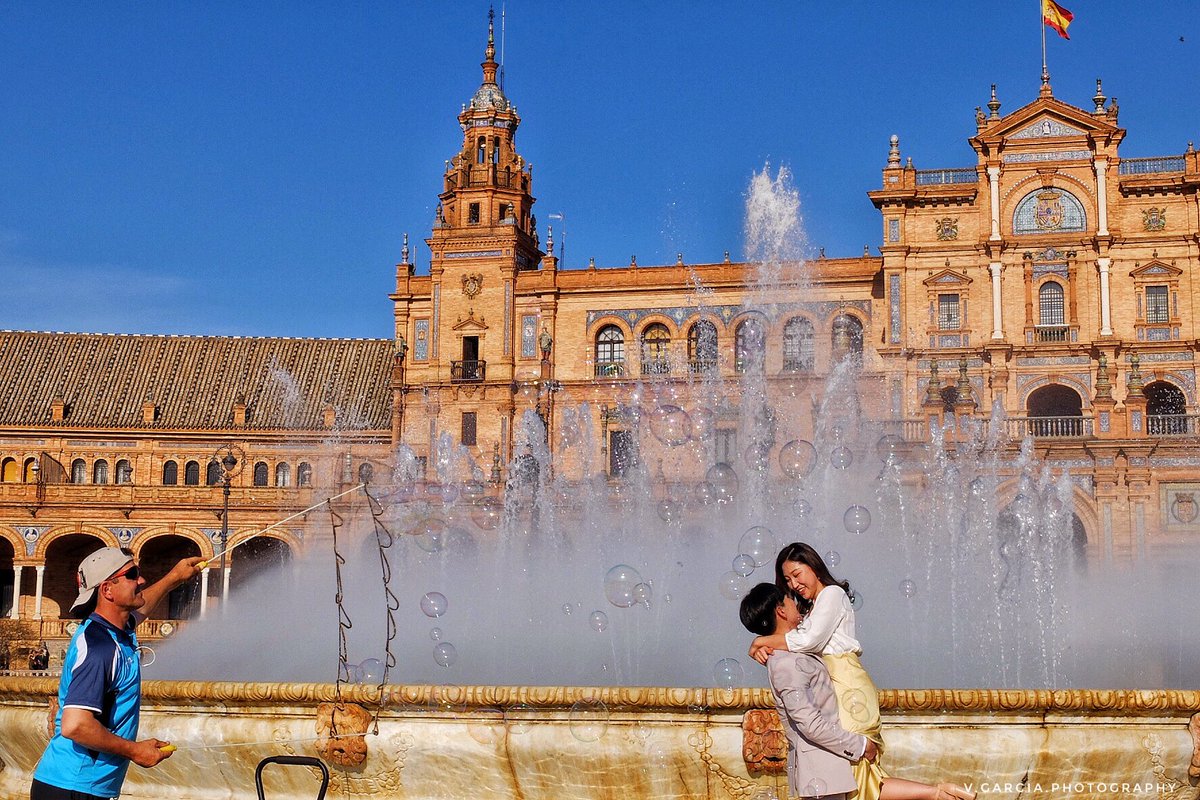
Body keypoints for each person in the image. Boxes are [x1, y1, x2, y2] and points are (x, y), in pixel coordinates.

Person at [749, 543, 974, 800]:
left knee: (853, 772)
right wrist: (766, 640)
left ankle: (936, 794)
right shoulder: (813, 607)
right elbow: (794, 639)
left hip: (846, 685)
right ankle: (940, 793)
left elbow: (808, 641)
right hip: (840, 685)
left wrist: (762, 641)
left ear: (813, 567)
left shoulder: (831, 594)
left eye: (797, 574)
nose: (793, 585)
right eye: (787, 580)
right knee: (859, 774)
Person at [31, 546, 203, 800]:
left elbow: (139, 613)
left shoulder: (114, 630)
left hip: (79, 786)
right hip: (73, 788)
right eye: (132, 574)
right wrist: (135, 751)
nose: (141, 580)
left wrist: (174, 578)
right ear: (107, 590)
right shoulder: (100, 648)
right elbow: (76, 726)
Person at [740, 582, 876, 800]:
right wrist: (860, 746)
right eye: (790, 601)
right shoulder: (786, 664)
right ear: (781, 610)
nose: (797, 605)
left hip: (827, 774)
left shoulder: (792, 654)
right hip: (821, 774)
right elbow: (809, 723)